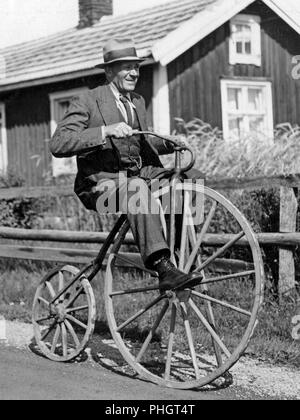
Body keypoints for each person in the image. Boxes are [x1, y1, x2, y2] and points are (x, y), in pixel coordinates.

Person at [50, 38, 202, 291]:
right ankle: (163, 266)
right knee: (136, 190)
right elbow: (58, 144)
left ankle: (181, 250)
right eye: (126, 67)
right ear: (109, 71)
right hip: (100, 190)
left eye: (137, 66)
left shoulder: (137, 102)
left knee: (191, 177)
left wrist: (168, 143)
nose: (134, 72)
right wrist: (104, 131)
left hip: (136, 177)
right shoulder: (87, 101)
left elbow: (141, 144)